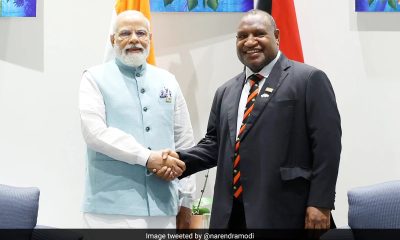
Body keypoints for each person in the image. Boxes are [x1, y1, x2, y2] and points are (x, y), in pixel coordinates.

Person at [158, 9, 341, 229]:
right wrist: (179, 159)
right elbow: (215, 145)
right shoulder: (225, 91)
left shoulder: (308, 79)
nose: (250, 41)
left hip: (286, 211)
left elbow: (327, 146)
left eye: (259, 34)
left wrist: (320, 202)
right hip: (231, 214)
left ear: (277, 36)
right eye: (242, 36)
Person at [79, 10, 195, 229]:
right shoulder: (93, 78)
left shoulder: (168, 81)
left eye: (141, 33)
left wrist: (186, 199)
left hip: (164, 205)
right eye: (125, 33)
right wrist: (147, 157)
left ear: (150, 39)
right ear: (113, 40)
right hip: (110, 209)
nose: (134, 39)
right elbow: (94, 133)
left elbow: (184, 141)